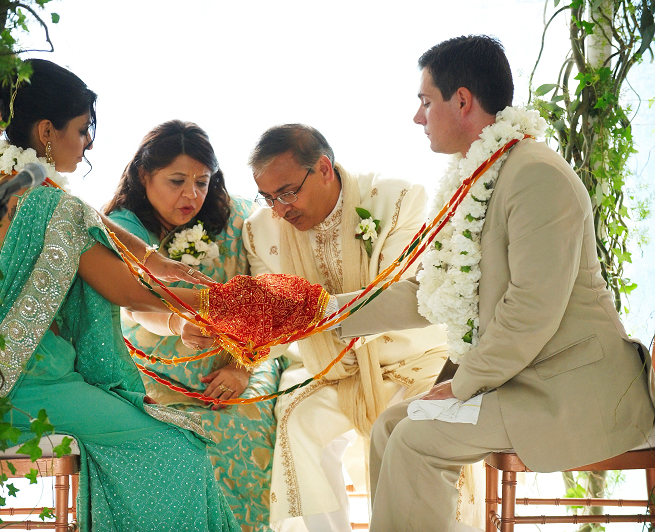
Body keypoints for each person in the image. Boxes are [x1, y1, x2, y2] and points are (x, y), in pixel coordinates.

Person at [335, 35, 655, 531]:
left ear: (461, 101)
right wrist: (317, 313)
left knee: (416, 439)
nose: (417, 117)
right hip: (520, 379)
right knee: (390, 428)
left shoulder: (535, 176)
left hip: (570, 389)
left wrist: (461, 385)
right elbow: (426, 294)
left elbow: (532, 309)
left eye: (424, 101)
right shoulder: (479, 175)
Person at [0, 59, 241, 532]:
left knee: (173, 439)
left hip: (4, 374)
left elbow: (122, 244)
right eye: (83, 130)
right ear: (47, 131)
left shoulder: (5, 186)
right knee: (176, 448)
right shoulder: (42, 202)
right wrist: (217, 307)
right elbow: (122, 286)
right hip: (20, 381)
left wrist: (169, 269)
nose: (88, 144)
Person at [241, 123, 449, 532]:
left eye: (287, 192)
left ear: (323, 168)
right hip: (333, 372)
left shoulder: (398, 199)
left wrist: (301, 311)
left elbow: (392, 297)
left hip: (407, 361)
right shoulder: (260, 230)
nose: (279, 209)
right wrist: (240, 348)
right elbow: (273, 327)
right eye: (267, 197)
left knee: (409, 436)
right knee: (297, 422)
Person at [103, 120, 280, 532]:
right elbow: (131, 304)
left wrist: (241, 367)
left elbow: (269, 296)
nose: (192, 195)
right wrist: (175, 322)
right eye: (177, 181)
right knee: (180, 446)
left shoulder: (240, 218)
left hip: (241, 366)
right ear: (144, 175)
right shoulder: (125, 228)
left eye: (202, 182)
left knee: (244, 424)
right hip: (155, 374)